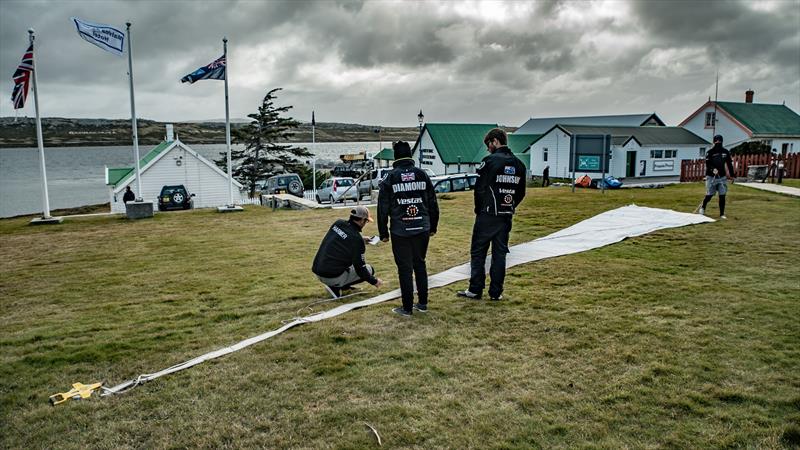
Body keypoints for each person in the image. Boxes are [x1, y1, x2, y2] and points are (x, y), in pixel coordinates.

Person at [457, 128, 526, 301]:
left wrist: (479, 209)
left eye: (488, 145)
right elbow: (521, 192)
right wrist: (509, 205)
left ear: (495, 141)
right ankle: (496, 292)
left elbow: (479, 189)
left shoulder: (489, 161)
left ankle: (475, 289)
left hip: (487, 215)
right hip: (505, 215)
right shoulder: (519, 165)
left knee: (478, 253)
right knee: (499, 255)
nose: (487, 149)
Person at [378, 141, 439, 316]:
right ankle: (423, 303)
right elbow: (433, 204)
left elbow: (382, 209)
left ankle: (406, 308)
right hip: (422, 227)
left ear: (395, 157)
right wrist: (433, 226)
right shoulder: (422, 174)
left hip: (400, 230)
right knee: (420, 264)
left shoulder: (390, 178)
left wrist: (383, 233)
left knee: (404, 268)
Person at [312, 206, 384, 297]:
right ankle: (336, 287)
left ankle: (341, 286)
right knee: (370, 270)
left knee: (347, 262)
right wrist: (375, 281)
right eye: (366, 221)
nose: (366, 223)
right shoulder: (356, 240)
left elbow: (342, 238)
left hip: (318, 271)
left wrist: (361, 239)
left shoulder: (338, 223)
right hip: (331, 277)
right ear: (362, 220)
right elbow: (360, 269)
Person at [699, 134, 735, 219]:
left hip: (722, 177)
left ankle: (722, 214)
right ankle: (703, 207)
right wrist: (713, 169)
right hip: (711, 177)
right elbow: (708, 164)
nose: (718, 142)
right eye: (717, 141)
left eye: (720, 141)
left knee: (722, 195)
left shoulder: (725, 152)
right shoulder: (710, 152)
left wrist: (732, 175)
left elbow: (729, 164)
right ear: (714, 141)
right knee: (710, 195)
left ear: (722, 141)